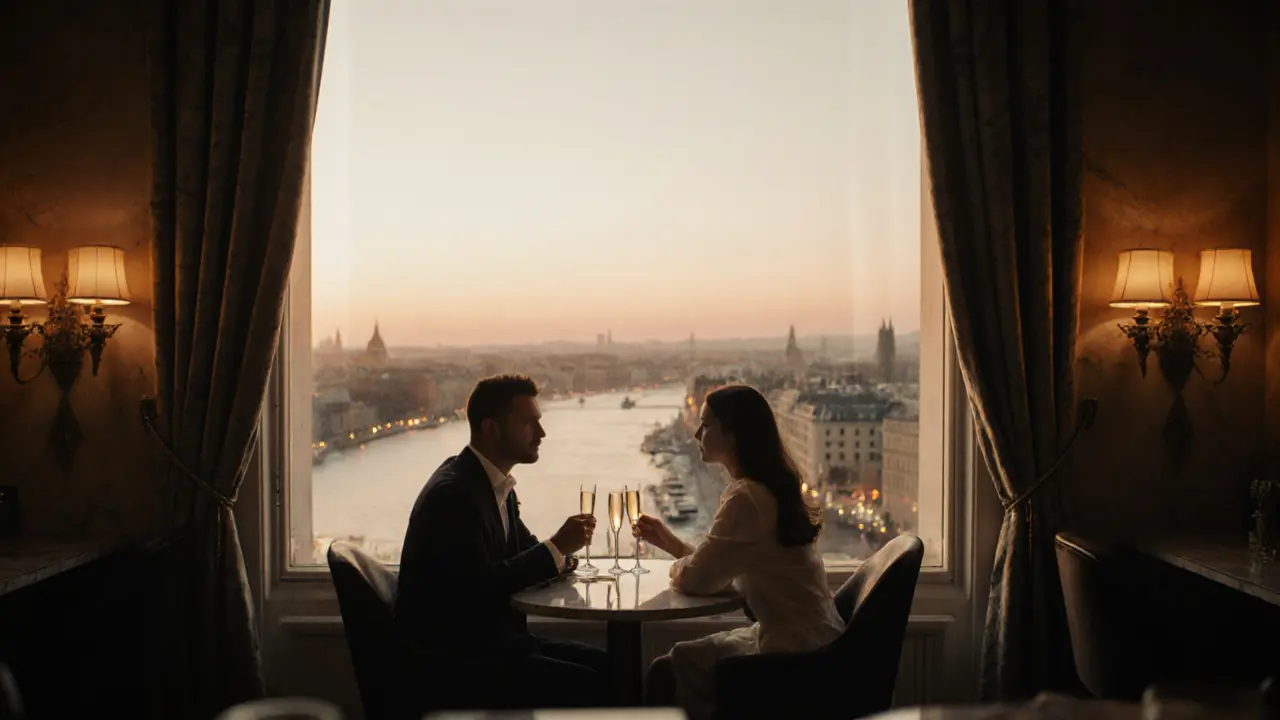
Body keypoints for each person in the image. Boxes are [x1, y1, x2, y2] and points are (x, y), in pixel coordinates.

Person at [396, 374, 608, 708]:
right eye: (529, 423)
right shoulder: (454, 495)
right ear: (490, 428)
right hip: (461, 663)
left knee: (613, 667)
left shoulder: (492, 483)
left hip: (495, 644)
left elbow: (523, 549)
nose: (541, 434)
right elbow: (479, 588)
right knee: (598, 682)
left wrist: (562, 555)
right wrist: (557, 548)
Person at [633, 384, 845, 720]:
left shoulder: (746, 499)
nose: (696, 434)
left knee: (668, 670)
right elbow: (716, 567)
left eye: (705, 425)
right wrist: (672, 543)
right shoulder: (768, 489)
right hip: (815, 638)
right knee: (670, 667)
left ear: (732, 435)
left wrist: (679, 565)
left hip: (793, 652)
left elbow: (695, 579)